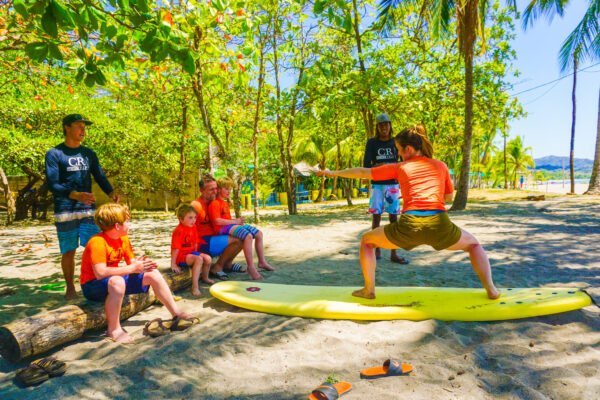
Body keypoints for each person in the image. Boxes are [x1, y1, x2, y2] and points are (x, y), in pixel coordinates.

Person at [317, 125, 501, 300]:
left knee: (367, 241)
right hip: (440, 224)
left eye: (399, 149)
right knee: (474, 245)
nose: (397, 153)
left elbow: (363, 172)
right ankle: (491, 290)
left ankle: (369, 290)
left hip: (409, 226)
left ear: (409, 149)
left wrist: (333, 173)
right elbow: (448, 198)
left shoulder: (400, 167)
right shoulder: (441, 165)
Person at [80, 203, 194, 343]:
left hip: (113, 282)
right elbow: (100, 273)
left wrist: (141, 265)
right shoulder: (97, 242)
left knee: (152, 273)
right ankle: (113, 329)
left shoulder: (123, 238)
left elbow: (131, 264)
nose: (129, 224)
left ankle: (176, 313)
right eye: (127, 221)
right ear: (117, 226)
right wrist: (133, 268)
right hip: (92, 286)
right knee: (117, 281)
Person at [45, 114, 119, 300]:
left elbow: (100, 176)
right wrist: (75, 195)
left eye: (84, 126)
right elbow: (52, 184)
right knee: (68, 250)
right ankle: (70, 288)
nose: (83, 130)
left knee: (95, 247)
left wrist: (111, 192)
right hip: (65, 209)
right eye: (78, 126)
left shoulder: (89, 154)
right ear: (67, 128)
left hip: (87, 209)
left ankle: (96, 284)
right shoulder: (54, 154)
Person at [208, 177, 274, 280]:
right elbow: (217, 221)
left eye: (230, 189)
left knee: (258, 234)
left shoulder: (225, 203)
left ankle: (262, 262)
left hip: (229, 225)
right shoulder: (215, 203)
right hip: (221, 228)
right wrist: (235, 221)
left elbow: (227, 219)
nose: (229, 191)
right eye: (226, 189)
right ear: (219, 189)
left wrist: (237, 221)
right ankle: (251, 267)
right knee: (247, 236)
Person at [363, 113, 408, 264]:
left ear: (390, 126)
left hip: (393, 185)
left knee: (393, 219)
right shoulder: (372, 143)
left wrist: (386, 167)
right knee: (376, 218)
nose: (384, 128)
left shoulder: (396, 142)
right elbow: (366, 165)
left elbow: (403, 164)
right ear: (377, 127)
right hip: (377, 185)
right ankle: (377, 250)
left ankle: (394, 253)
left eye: (386, 124)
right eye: (381, 125)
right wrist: (381, 166)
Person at [190, 175, 244, 281]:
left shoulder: (216, 203)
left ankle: (228, 264)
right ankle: (218, 266)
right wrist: (194, 252)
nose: (215, 191)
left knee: (243, 236)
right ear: (202, 190)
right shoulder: (196, 205)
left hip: (216, 238)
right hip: (204, 242)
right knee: (237, 239)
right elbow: (187, 228)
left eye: (216, 188)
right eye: (211, 189)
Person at [171, 204, 213, 295]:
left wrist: (197, 254)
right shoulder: (178, 231)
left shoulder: (193, 227)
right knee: (199, 259)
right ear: (181, 219)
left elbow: (195, 243)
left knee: (208, 258)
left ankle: (205, 277)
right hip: (181, 256)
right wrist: (173, 264)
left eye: (194, 217)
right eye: (190, 218)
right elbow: (175, 249)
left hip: (190, 254)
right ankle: (194, 288)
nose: (193, 220)